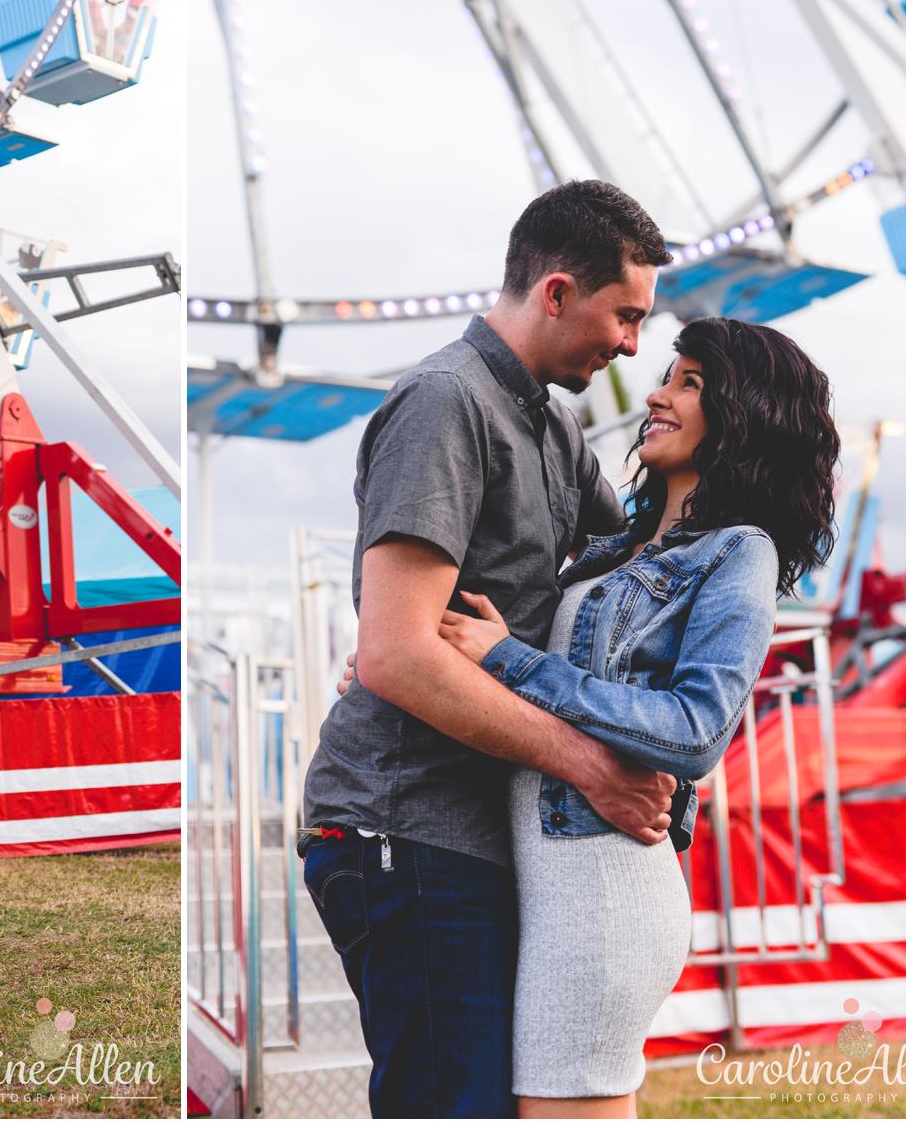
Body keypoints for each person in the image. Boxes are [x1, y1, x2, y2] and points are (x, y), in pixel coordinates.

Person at [342, 318, 840, 1117]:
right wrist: (397, 653)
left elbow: (695, 731)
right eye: (670, 375)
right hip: (546, 879)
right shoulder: (613, 548)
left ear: (743, 414)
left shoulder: (740, 552)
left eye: (689, 383)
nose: (657, 392)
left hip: (602, 885)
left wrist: (508, 657)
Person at [298, 180, 676, 1117]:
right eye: (625, 315)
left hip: (473, 827)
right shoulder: (443, 402)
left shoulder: (553, 419)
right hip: (406, 825)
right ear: (555, 292)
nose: (633, 345)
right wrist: (589, 762)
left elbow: (644, 559)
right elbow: (394, 656)